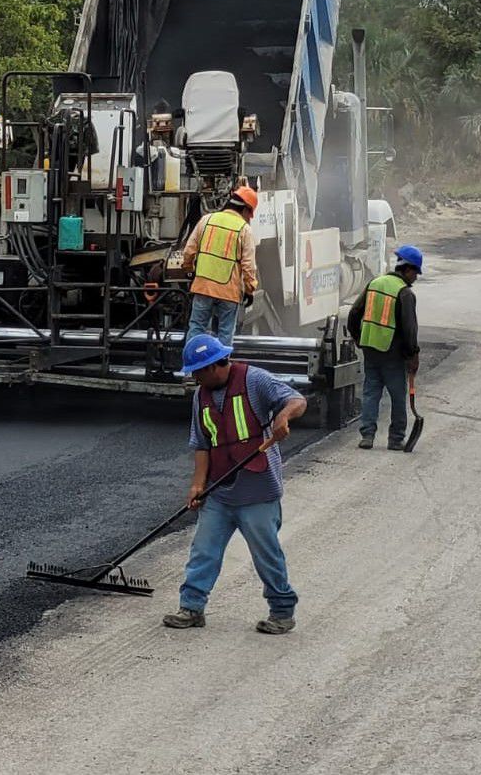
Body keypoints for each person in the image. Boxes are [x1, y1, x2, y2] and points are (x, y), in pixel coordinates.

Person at [163, 334, 307, 635]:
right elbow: (202, 444)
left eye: (199, 372)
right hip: (220, 490)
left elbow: (297, 400)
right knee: (203, 550)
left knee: (266, 555)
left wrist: (283, 416)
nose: (195, 378)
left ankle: (282, 612)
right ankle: (191, 607)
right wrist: (197, 485)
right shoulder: (200, 395)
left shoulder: (255, 381)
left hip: (258, 491)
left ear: (217, 365)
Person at [347, 244, 422, 451]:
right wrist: (412, 355)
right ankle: (396, 438)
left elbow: (354, 313)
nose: (416, 278)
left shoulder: (375, 282)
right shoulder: (405, 293)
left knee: (371, 391)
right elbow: (409, 329)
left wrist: (358, 337)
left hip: (370, 348)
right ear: (408, 270)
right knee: (398, 394)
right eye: (416, 273)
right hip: (392, 352)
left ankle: (367, 436)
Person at [182, 186, 258, 347]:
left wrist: (189, 270)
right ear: (244, 209)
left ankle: (192, 369)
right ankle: (221, 370)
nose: (248, 219)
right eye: (249, 214)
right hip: (228, 292)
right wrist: (250, 290)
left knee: (196, 328)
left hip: (203, 287)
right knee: (225, 333)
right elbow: (248, 266)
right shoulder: (244, 230)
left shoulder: (206, 220)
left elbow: (189, 251)